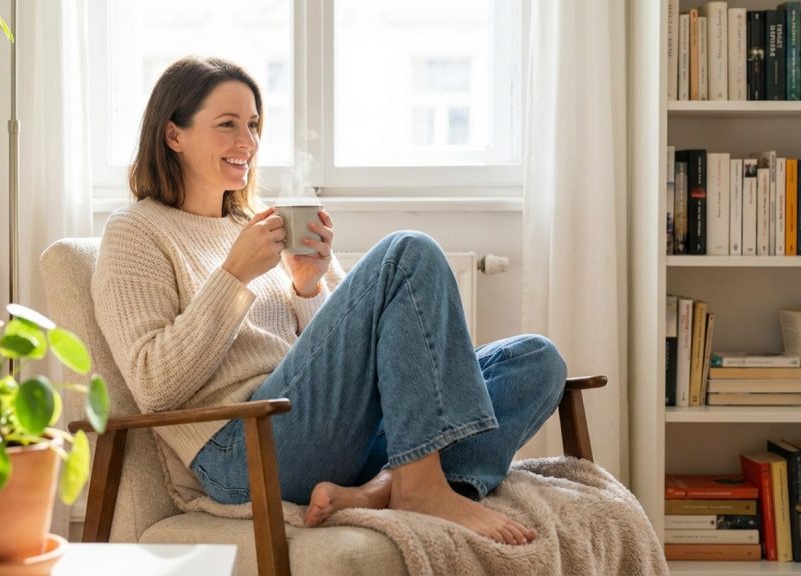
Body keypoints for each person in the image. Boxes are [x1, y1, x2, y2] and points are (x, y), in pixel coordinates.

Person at [92, 55, 567, 546]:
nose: (248, 142)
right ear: (174, 135)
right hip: (244, 449)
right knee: (407, 253)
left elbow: (361, 359)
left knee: (535, 361)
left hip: (330, 435)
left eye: (253, 124)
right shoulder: (135, 232)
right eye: (227, 124)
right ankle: (421, 488)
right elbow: (154, 385)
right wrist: (234, 276)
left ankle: (384, 487)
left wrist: (308, 287)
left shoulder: (258, 223)